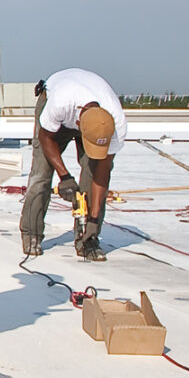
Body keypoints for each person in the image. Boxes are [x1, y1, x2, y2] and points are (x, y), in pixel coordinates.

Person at [19, 68, 127, 261]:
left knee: (92, 174)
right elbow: (45, 138)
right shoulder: (61, 102)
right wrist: (65, 177)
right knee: (41, 174)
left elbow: (102, 173)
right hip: (54, 113)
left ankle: (88, 238)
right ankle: (31, 234)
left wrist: (93, 218)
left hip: (89, 119)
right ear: (78, 123)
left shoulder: (115, 124)